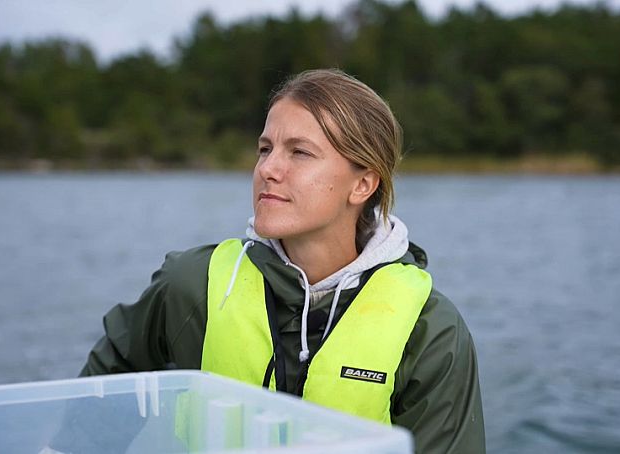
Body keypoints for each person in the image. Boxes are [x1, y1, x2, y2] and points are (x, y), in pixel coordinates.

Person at [79, 69, 485, 453]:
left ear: (362, 184)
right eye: (265, 149)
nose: (268, 169)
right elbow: (99, 395)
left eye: (300, 153)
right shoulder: (192, 286)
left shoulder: (430, 332)